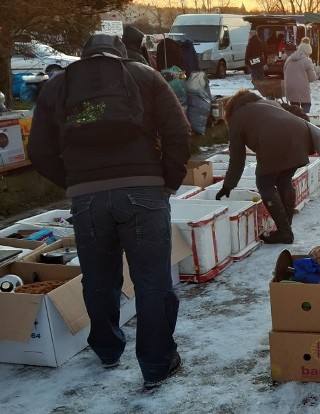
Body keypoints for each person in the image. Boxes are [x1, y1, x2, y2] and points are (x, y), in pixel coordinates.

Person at [27, 34, 190, 389]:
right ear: (121, 54)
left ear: (84, 57)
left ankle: (106, 349)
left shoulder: (59, 85)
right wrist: (168, 181)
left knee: (99, 279)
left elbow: (38, 151)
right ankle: (156, 364)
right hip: (145, 191)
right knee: (152, 282)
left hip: (86, 198)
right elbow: (179, 132)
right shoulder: (145, 76)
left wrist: (74, 183)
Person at [218, 90, 319, 244]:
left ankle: (285, 232)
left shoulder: (237, 117)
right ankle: (286, 227)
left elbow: (237, 158)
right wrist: (305, 121)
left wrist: (228, 185)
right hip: (300, 136)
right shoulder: (268, 103)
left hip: (274, 140)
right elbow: (295, 110)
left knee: (265, 184)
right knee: (284, 179)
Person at [283, 40, 318, 113]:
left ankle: (295, 122)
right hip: (302, 89)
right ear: (307, 51)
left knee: (294, 109)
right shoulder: (306, 61)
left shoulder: (289, 59)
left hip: (289, 88)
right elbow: (312, 78)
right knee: (306, 105)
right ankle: (304, 120)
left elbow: (284, 72)